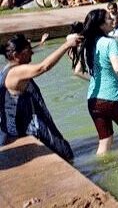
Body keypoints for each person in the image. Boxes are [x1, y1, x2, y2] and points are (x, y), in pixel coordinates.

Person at [1, 33, 80, 161]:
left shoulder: (7, 68)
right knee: (64, 154)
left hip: (13, 126)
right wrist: (67, 45)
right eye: (28, 51)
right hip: (23, 128)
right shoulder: (16, 72)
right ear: (16, 56)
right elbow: (43, 67)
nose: (32, 53)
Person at [74, 8, 118, 154]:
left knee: (105, 138)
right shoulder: (110, 43)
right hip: (112, 97)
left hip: (93, 99)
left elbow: (77, 71)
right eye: (109, 18)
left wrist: (94, 79)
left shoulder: (87, 44)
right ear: (101, 25)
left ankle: (100, 168)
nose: (113, 20)